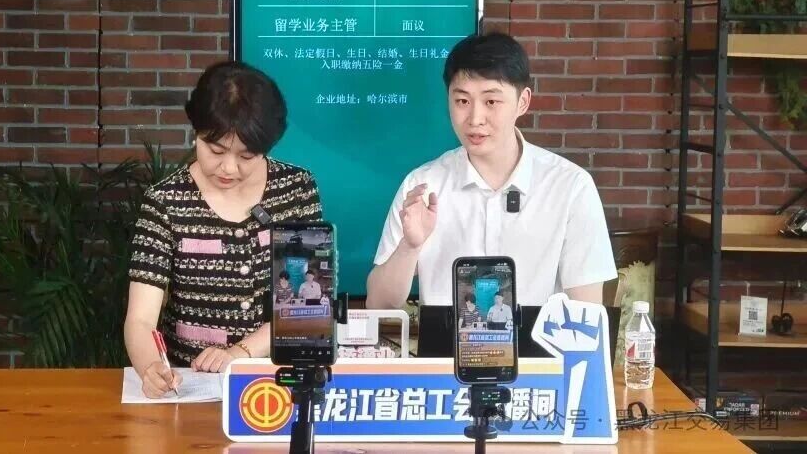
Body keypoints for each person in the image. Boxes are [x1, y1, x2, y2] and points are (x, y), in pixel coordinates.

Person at [366, 32, 616, 310]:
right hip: (443, 341)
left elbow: (588, 313)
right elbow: (378, 305)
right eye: (462, 101)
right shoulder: (423, 185)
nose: (475, 119)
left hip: (537, 340)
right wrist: (410, 246)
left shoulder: (570, 186)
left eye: (491, 102)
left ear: (523, 102)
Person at [124, 61, 322, 398]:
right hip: (191, 386)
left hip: (276, 383)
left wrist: (239, 353)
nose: (228, 168)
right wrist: (151, 367)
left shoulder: (296, 190)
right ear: (196, 132)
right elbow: (140, 319)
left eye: (247, 156)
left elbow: (306, 304)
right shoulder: (165, 202)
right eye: (215, 150)